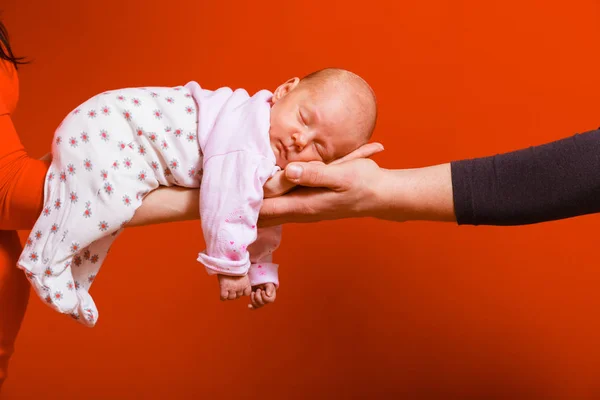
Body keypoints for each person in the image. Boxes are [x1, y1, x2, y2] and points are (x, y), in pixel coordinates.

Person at [17, 68, 378, 327]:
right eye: (304, 119)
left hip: (119, 139)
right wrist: (230, 266)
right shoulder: (248, 136)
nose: (301, 139)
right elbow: (228, 204)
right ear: (285, 89)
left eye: (318, 146)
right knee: (108, 204)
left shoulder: (261, 151)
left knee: (111, 210)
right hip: (114, 130)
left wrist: (260, 268)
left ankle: (71, 275)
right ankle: (44, 262)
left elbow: (255, 210)